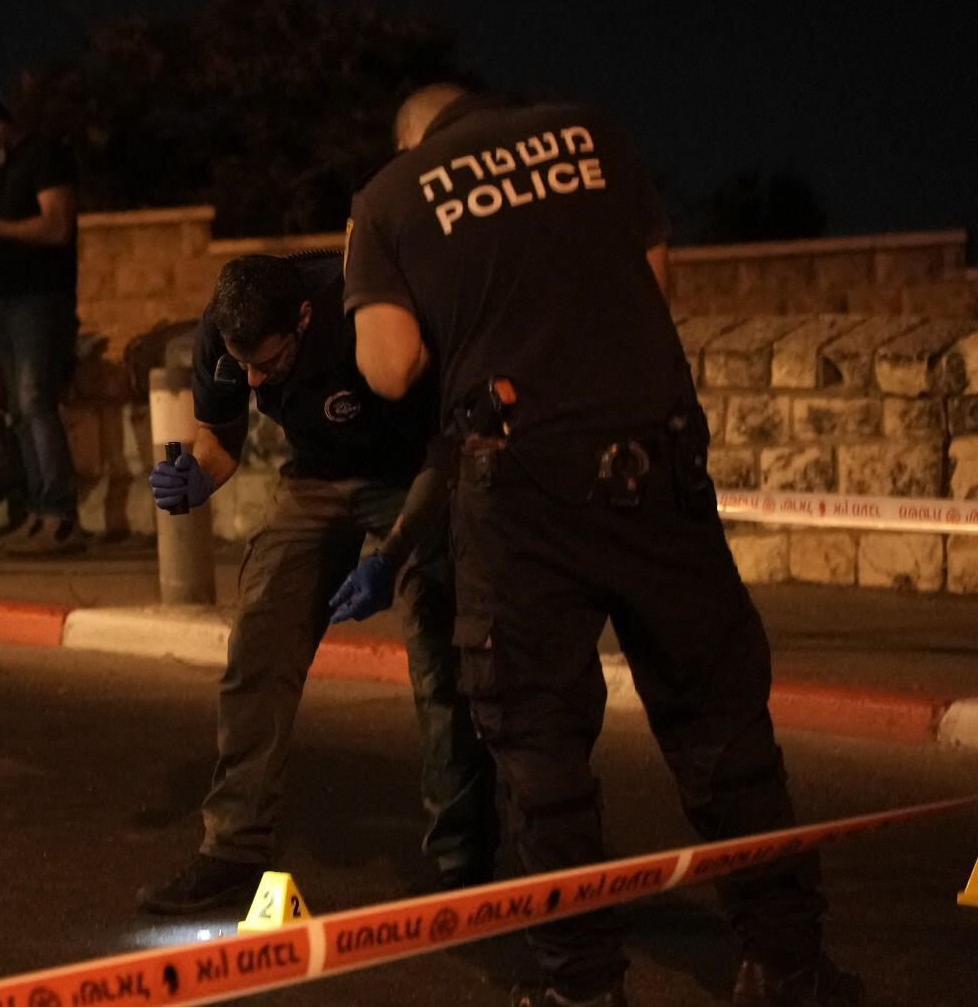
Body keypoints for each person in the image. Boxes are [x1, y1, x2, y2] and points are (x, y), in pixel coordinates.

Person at [344, 83, 858, 1007]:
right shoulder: (594, 136)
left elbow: (389, 368)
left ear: (414, 141)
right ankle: (785, 962)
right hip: (656, 463)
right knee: (722, 722)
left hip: (520, 489)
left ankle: (583, 986)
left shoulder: (388, 199)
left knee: (538, 747)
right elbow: (655, 289)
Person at [135, 251, 497, 915]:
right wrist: (192, 480)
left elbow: (444, 453)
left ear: (303, 319)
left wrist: (391, 557)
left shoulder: (369, 315)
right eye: (243, 365)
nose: (253, 378)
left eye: (268, 364)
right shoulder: (226, 333)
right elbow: (220, 443)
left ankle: (464, 859)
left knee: (439, 655)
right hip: (317, 478)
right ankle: (233, 847)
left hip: (413, 477)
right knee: (259, 641)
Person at [0, 94, 84, 556]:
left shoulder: (45, 156)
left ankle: (61, 516)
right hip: (4, 300)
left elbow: (56, 226)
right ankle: (39, 511)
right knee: (20, 410)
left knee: (36, 400)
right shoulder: (0, 173)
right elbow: (4, 234)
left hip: (39, 298)